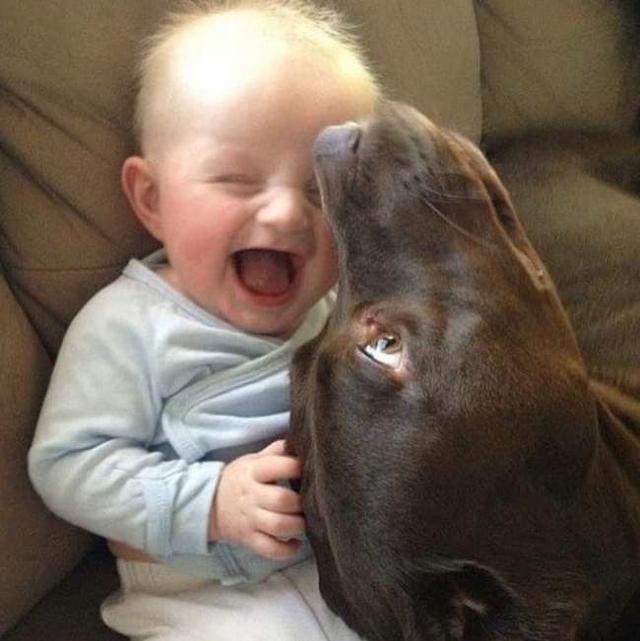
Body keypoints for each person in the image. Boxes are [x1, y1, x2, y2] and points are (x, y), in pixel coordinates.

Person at [27, 1, 378, 639]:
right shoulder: (130, 325)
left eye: (323, 190)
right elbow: (67, 466)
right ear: (152, 199)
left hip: (341, 565)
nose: (287, 216)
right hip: (199, 588)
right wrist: (209, 503)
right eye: (238, 179)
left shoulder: (331, 309)